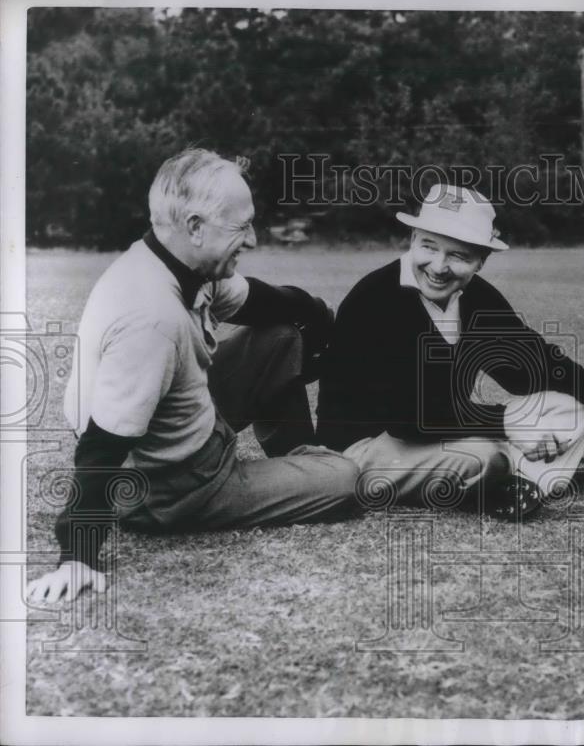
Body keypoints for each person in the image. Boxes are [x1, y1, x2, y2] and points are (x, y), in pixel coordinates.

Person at [27, 149, 360, 604]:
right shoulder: (151, 317)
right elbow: (101, 447)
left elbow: (263, 301)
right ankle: (300, 468)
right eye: (241, 227)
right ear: (196, 227)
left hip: (183, 432)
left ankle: (294, 457)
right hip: (169, 488)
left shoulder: (172, 260)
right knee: (346, 477)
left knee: (281, 335)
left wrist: (319, 318)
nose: (254, 239)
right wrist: (77, 555)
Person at [316, 184, 584, 517]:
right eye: (429, 246)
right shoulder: (374, 298)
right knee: (484, 456)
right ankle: (529, 474)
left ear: (481, 261)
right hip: (362, 448)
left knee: (566, 408)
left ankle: (521, 485)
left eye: (459, 255)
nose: (439, 266)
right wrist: (508, 425)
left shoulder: (476, 297)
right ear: (412, 239)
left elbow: (535, 363)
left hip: (435, 435)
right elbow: (407, 416)